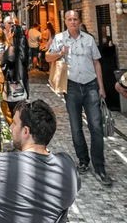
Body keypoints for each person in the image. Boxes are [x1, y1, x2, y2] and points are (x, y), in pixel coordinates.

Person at [0, 99, 80, 223]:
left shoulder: (1, 165)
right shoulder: (68, 166)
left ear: (26, 131)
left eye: (15, 123)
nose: (11, 127)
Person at [46, 10, 112, 185]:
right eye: (70, 19)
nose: (73, 22)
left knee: (96, 127)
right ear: (65, 22)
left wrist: (101, 87)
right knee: (76, 127)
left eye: (75, 19)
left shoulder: (88, 39)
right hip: (72, 87)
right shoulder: (60, 39)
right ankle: (83, 160)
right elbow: (47, 57)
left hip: (90, 86)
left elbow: (97, 62)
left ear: (79, 21)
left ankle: (100, 167)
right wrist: (60, 53)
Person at [0, 24, 29, 121]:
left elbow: (2, 62)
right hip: (22, 84)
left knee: (14, 114)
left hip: (13, 86)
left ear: (12, 34)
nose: (7, 34)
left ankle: (16, 133)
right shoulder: (23, 47)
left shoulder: (12, 49)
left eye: (9, 32)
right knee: (20, 113)